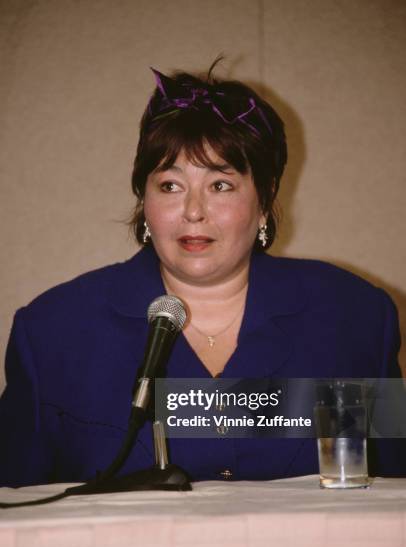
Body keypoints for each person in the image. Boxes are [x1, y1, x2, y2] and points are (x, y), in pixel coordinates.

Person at [0, 64, 404, 488]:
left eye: (221, 185)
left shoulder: (353, 318)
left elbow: (396, 496)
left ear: (264, 202)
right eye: (170, 185)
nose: (193, 211)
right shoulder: (53, 332)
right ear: (144, 202)